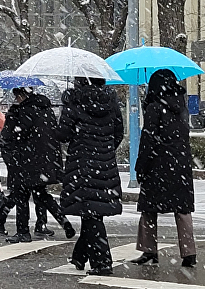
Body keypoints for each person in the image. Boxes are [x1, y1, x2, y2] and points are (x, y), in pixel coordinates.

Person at [57, 77, 123, 276]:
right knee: (94, 211)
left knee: (91, 213)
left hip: (82, 163)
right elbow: (118, 132)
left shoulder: (75, 101)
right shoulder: (111, 101)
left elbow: (63, 135)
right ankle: (80, 256)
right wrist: (105, 151)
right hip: (105, 163)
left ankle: (102, 263)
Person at [0, 87, 75, 242]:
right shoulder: (46, 110)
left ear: (22, 96)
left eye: (17, 97)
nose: (16, 100)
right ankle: (62, 221)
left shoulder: (19, 112)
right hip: (44, 162)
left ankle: (21, 231)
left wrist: (11, 159)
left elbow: (9, 137)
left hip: (24, 162)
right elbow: (52, 136)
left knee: (20, 195)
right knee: (40, 194)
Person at [131, 69, 197, 267]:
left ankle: (149, 250)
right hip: (180, 164)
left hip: (157, 165)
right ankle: (189, 252)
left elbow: (148, 139)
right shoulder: (182, 107)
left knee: (149, 209)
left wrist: (140, 167)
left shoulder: (154, 107)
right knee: (182, 209)